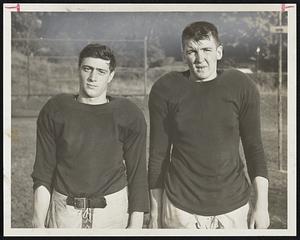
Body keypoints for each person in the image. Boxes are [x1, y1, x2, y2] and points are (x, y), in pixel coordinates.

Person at [148, 21, 270, 229]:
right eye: (192, 51)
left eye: (206, 49)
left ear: (219, 52)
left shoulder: (240, 86)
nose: (200, 58)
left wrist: (262, 206)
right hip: (180, 208)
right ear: (183, 54)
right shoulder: (166, 89)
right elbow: (158, 156)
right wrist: (154, 213)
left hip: (233, 205)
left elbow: (254, 149)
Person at [31, 43, 149, 228]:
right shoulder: (55, 110)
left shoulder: (128, 114)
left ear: (111, 75)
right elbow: (43, 173)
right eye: (88, 69)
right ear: (79, 70)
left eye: (101, 71)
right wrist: (37, 223)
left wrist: (135, 226)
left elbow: (138, 174)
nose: (93, 77)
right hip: (64, 212)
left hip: (112, 212)